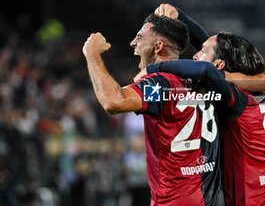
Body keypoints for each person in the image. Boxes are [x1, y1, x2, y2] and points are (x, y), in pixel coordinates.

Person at [143, 4, 265, 206]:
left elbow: (206, 68)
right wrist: (181, 16)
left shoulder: (235, 96)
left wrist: (153, 67)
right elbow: (212, 54)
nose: (194, 54)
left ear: (221, 65)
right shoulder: (248, 89)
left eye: (200, 51)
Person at [82, 14, 225, 206]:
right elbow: (210, 46)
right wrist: (180, 15)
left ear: (158, 47)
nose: (133, 43)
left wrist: (92, 54)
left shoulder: (160, 84)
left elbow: (114, 102)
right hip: (212, 199)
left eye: (140, 38)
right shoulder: (204, 81)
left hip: (174, 201)